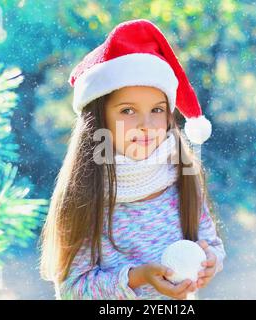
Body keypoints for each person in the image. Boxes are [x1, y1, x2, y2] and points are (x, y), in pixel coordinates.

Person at [39, 19, 226, 300]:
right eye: (127, 111)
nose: (145, 124)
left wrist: (211, 258)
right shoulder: (87, 192)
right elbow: (71, 289)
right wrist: (137, 277)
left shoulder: (182, 175)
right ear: (99, 119)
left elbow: (210, 242)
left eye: (157, 109)